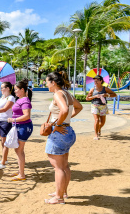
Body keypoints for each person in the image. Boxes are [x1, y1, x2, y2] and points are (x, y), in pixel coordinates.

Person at [44, 71, 83, 204]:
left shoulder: (58, 94)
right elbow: (79, 107)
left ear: (53, 82)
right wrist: (66, 120)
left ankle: (58, 198)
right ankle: (62, 192)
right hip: (68, 131)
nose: (46, 84)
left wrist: (59, 124)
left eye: (47, 81)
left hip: (60, 133)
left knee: (58, 167)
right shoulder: (67, 93)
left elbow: (65, 110)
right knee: (64, 165)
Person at [6, 79, 33, 181]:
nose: (15, 91)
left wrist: (14, 119)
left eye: (16, 89)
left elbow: (27, 116)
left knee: (19, 150)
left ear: (22, 90)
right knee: (18, 150)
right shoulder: (20, 99)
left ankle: (21, 174)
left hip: (23, 127)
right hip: (20, 126)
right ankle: (20, 171)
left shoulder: (25, 100)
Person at [86, 75, 116, 140]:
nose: (95, 81)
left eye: (97, 80)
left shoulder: (105, 89)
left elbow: (114, 94)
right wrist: (94, 96)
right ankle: (96, 135)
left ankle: (98, 128)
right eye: (94, 80)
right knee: (96, 120)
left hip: (103, 106)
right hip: (95, 105)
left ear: (101, 81)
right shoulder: (92, 89)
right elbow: (87, 98)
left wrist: (107, 95)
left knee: (102, 122)